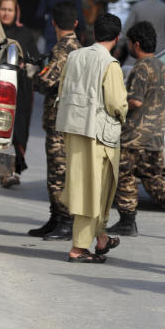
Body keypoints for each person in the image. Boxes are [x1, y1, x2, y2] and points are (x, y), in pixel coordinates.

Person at [107, 21, 165, 237]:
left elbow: (135, 101)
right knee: (151, 177)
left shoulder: (141, 68)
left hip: (135, 135)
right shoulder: (160, 65)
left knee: (123, 173)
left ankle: (127, 220)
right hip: (154, 136)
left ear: (136, 45)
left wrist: (114, 97)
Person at [56, 13, 129, 263]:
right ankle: (78, 248)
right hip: (99, 136)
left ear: (93, 33)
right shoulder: (110, 64)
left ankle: (101, 237)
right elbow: (116, 103)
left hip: (74, 128)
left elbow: (62, 87)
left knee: (83, 186)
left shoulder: (74, 56)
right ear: (117, 38)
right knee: (94, 190)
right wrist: (124, 113)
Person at [28, 1, 84, 240]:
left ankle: (65, 219)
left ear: (54, 23)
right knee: (58, 170)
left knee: (58, 171)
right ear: (75, 23)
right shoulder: (79, 48)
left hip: (60, 120)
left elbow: (47, 82)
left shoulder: (63, 50)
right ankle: (56, 217)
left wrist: (34, 74)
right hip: (70, 118)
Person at [0, 0, 40, 188]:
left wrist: (25, 64)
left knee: (18, 127)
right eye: (3, 9)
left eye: (10, 10)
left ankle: (12, 169)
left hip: (19, 90)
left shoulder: (25, 34)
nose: (6, 14)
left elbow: (35, 59)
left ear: (16, 13)